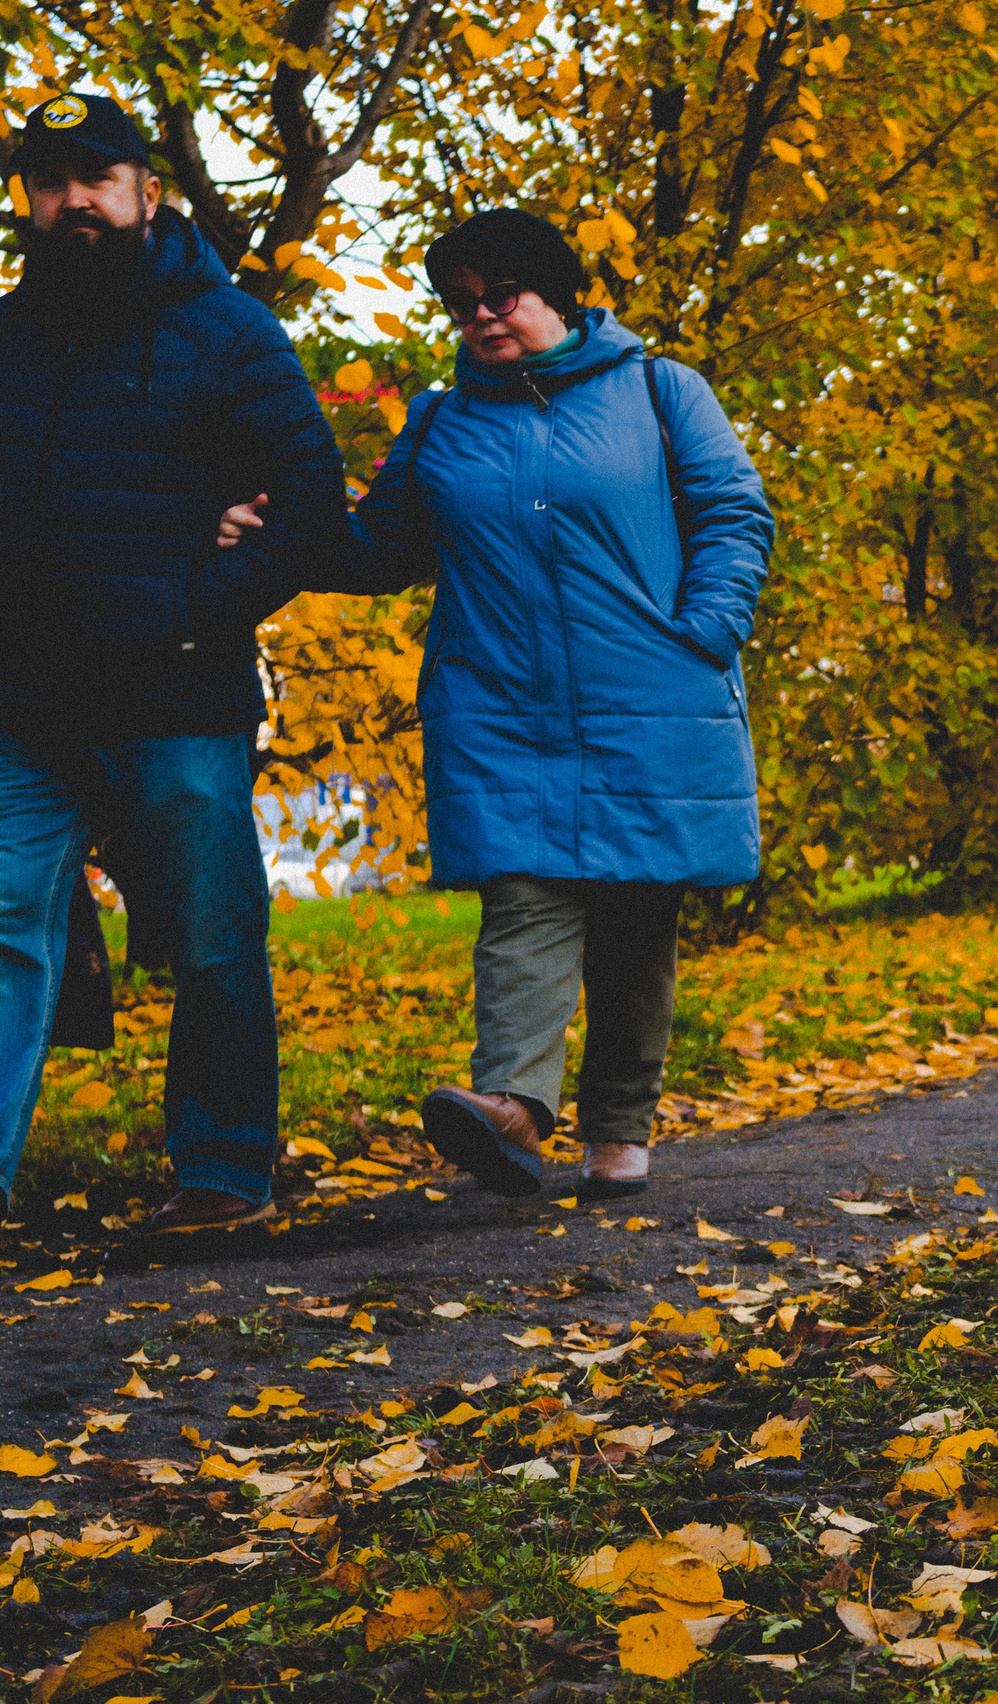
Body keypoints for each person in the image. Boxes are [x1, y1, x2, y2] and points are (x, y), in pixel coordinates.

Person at [220, 209, 771, 1201]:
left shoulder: (659, 391)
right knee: (522, 899)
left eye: (500, 295)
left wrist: (705, 630)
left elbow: (732, 512)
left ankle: (618, 1128)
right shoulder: (438, 421)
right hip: (499, 705)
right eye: (460, 302)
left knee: (637, 915)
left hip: (649, 695)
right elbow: (376, 550)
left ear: (555, 292)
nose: (480, 317)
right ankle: (511, 1107)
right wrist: (273, 521)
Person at [0, 92, 347, 1228]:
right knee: (4, 920)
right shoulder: (8, 337)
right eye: (50, 182)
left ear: (148, 189)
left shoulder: (230, 329)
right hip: (27, 698)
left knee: (207, 935)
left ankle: (223, 1170)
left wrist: (197, 602)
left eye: (97, 177)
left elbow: (307, 510)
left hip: (178, 686)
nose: (73, 202)